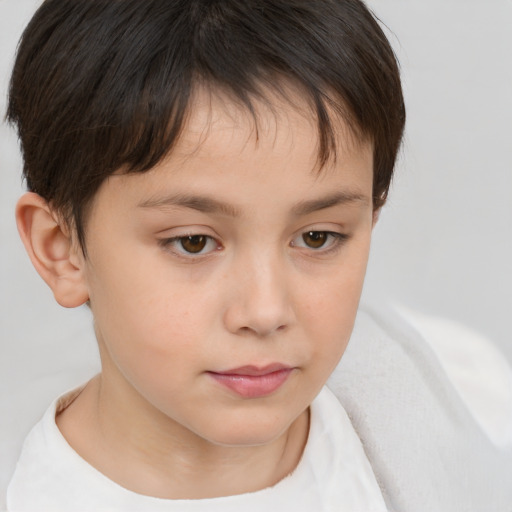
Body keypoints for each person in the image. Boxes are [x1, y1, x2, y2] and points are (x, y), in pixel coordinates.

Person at [4, 0, 511, 510]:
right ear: (62, 249)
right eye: (193, 242)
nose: (266, 312)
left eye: (317, 237)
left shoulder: (448, 414)